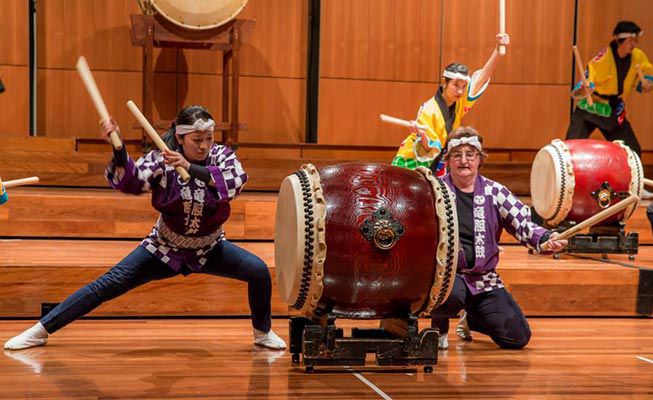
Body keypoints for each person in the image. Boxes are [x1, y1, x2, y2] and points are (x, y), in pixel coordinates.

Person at [4, 105, 286, 351]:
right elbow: (133, 181)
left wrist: (190, 165)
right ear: (179, 137)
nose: (204, 146)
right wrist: (118, 150)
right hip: (163, 247)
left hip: (210, 247)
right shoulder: (162, 159)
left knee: (258, 271)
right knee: (107, 284)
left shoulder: (221, 157)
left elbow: (234, 182)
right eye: (196, 140)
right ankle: (41, 330)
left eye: (208, 139)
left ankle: (262, 333)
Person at [431, 126, 567, 350]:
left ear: (479, 159)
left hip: (483, 279)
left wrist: (546, 237)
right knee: (450, 291)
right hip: (447, 276)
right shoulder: (436, 191)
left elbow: (523, 224)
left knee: (517, 337)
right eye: (457, 155)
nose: (464, 160)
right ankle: (439, 327)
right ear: (448, 160)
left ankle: (473, 318)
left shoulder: (496, 192)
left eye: (470, 154)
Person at [392, 33, 510, 176]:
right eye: (455, 85)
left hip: (435, 163)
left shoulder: (458, 102)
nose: (460, 91)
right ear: (444, 82)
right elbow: (427, 148)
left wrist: (497, 50)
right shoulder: (429, 110)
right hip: (412, 162)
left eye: (463, 86)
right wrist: (422, 135)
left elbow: (481, 79)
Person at [565, 21, 652, 157]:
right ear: (619, 40)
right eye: (630, 41)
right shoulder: (604, 58)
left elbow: (646, 74)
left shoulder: (637, 56)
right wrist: (585, 87)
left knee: (632, 151)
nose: (633, 44)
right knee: (571, 148)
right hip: (591, 107)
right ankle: (569, 176)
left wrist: (647, 83)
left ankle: (630, 178)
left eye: (634, 41)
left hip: (613, 109)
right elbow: (589, 75)